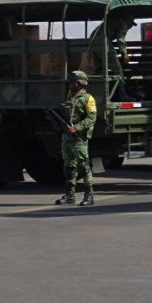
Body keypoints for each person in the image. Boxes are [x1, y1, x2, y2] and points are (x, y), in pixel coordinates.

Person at [55, 71, 98, 206]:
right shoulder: (70, 97)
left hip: (79, 138)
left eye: (73, 82)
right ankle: (70, 195)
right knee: (68, 166)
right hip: (67, 137)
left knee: (83, 166)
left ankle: (89, 195)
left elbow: (92, 118)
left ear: (80, 83)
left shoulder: (88, 98)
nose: (70, 84)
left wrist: (77, 127)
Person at [91, 11, 136, 100]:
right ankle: (123, 95)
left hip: (93, 42)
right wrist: (124, 53)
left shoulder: (114, 22)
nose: (130, 26)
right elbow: (121, 38)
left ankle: (96, 94)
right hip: (102, 42)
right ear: (128, 20)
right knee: (117, 68)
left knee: (100, 69)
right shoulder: (123, 23)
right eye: (131, 23)